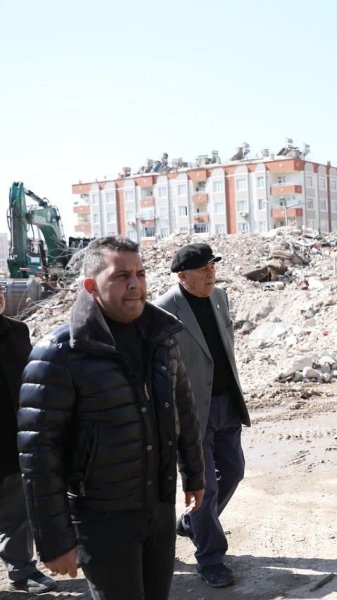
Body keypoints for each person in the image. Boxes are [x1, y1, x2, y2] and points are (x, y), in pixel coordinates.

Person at [17, 236, 205, 600]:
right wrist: (55, 540)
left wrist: (194, 475)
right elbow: (39, 455)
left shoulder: (160, 337)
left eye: (140, 274)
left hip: (157, 508)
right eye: (121, 276)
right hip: (102, 518)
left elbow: (183, 408)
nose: (135, 284)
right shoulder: (59, 354)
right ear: (91, 286)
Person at [156, 243, 250, 589]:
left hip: (226, 403)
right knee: (205, 487)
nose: (211, 273)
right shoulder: (164, 309)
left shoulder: (220, 296)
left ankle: (194, 524)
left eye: (212, 266)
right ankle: (210, 558)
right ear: (182, 277)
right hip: (192, 411)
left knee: (235, 471)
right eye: (202, 270)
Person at [0, 285, 56, 594]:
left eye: (0, 289)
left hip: (13, 438)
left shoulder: (18, 331)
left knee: (17, 511)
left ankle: (21, 570)